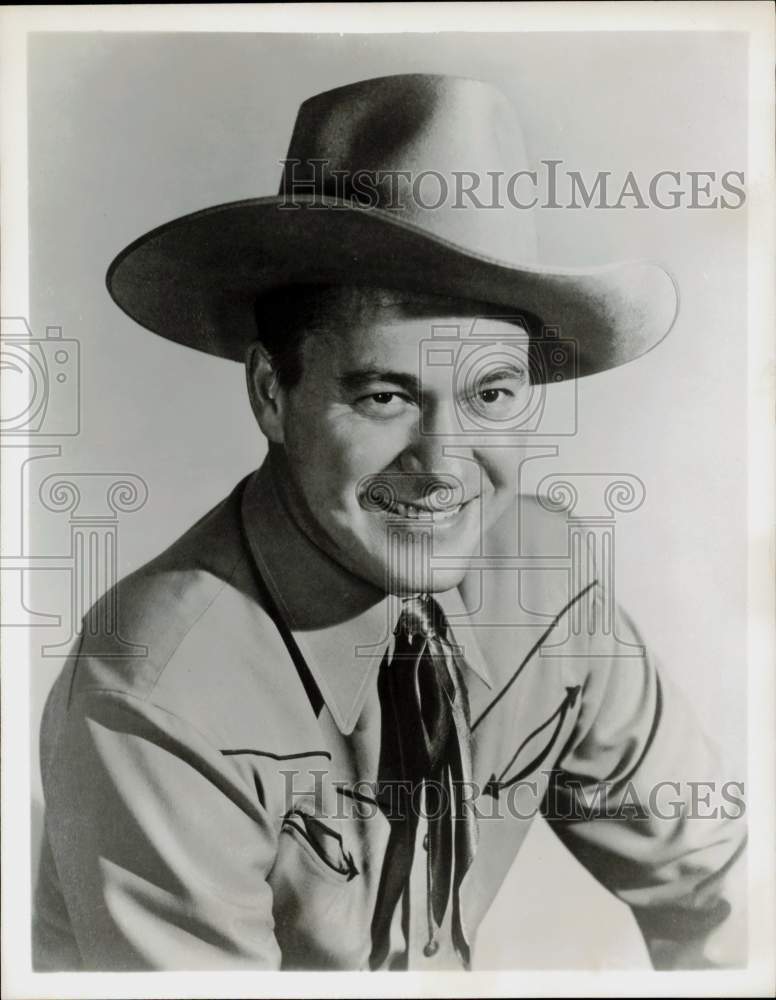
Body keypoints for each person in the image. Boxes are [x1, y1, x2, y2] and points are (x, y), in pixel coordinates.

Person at [33, 74, 745, 972]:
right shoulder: (151, 697)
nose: (445, 466)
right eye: (384, 396)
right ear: (270, 394)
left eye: (491, 395)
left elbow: (725, 888)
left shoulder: (550, 573)